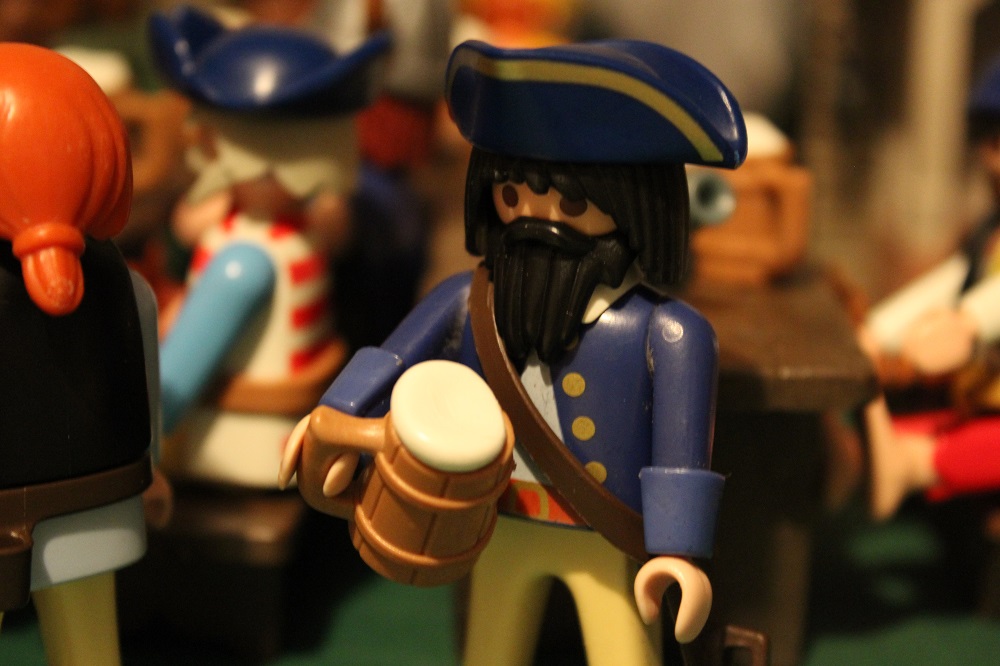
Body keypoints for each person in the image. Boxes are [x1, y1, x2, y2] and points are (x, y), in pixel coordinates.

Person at [282, 38, 746, 664]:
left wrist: (677, 551)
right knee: (491, 649)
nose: (534, 216)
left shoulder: (669, 333)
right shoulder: (467, 299)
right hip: (494, 519)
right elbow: (392, 361)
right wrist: (334, 415)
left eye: (572, 201)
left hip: (603, 530)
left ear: (636, 204)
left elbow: (680, 455)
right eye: (510, 195)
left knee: (621, 650)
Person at [149, 7, 389, 487]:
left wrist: (139, 445)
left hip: (224, 451)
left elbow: (172, 384)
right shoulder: (300, 236)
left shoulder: (244, 259)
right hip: (282, 442)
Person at [0, 43, 159, 666]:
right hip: (97, 499)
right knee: (90, 647)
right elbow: (145, 375)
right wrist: (155, 466)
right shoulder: (119, 283)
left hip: (96, 498)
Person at [861, 55, 1000, 519]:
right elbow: (955, 279)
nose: (993, 159)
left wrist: (970, 324)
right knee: (897, 431)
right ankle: (856, 459)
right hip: (980, 395)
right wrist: (879, 331)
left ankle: (917, 464)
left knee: (951, 447)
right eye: (990, 139)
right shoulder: (988, 230)